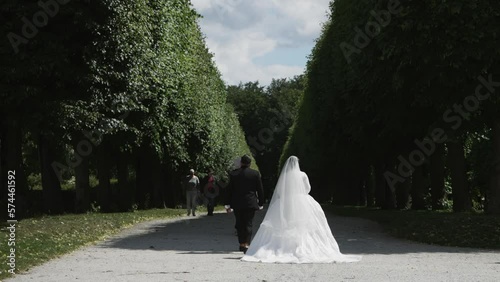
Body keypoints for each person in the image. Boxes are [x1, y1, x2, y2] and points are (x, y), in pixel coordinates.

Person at [241, 156, 361, 263]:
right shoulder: (302, 174)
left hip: (286, 201)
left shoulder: (284, 176)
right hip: (302, 200)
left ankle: (284, 246)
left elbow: (279, 192)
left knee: (285, 223)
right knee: (305, 224)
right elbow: (307, 188)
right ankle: (301, 244)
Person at [225, 155, 264, 254]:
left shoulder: (234, 174)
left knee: (239, 223)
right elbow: (260, 190)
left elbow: (229, 190)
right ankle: (247, 244)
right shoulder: (255, 174)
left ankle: (241, 243)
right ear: (250, 163)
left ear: (241, 163)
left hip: (237, 203)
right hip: (250, 202)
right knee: (248, 224)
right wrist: (261, 203)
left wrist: (227, 204)